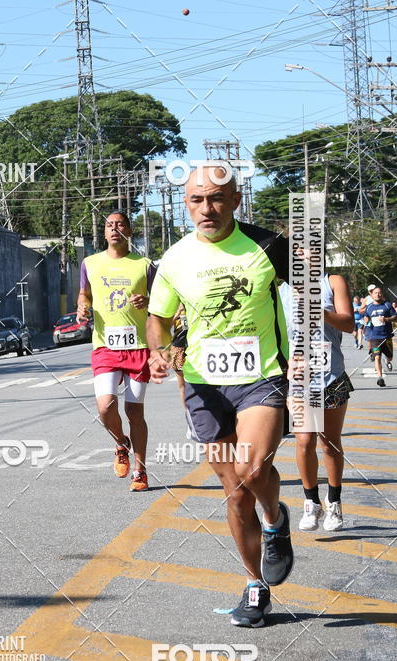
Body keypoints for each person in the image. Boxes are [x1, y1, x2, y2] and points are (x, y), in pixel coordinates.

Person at [147, 164, 293, 628]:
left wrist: (306, 354)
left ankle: (274, 520)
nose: (206, 209)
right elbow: (159, 318)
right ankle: (255, 586)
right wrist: (159, 350)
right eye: (196, 200)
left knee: (253, 469)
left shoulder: (269, 246)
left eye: (216, 198)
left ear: (235, 200)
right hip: (202, 383)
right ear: (185, 204)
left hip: (262, 374)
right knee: (234, 493)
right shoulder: (173, 259)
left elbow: (310, 298)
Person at [77, 211, 156, 491]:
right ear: (104, 232)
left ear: (129, 230)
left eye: (120, 224)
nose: (114, 229)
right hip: (105, 346)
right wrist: (82, 305)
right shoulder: (90, 263)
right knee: (105, 406)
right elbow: (84, 292)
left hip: (138, 347)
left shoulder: (144, 264)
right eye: (109, 225)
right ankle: (121, 443)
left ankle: (141, 471)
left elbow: (161, 302)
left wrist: (147, 300)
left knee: (135, 411)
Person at [292, 274, 355, 532]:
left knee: (329, 443)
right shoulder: (282, 286)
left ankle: (334, 500)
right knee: (304, 441)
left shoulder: (332, 282)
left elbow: (349, 323)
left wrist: (321, 312)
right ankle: (311, 502)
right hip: (298, 377)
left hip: (331, 374)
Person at [360, 286, 397, 387]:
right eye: (375, 293)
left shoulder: (387, 305)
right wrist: (366, 319)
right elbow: (366, 316)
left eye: (380, 293)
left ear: (382, 294)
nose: (378, 294)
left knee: (390, 356)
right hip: (374, 337)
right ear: (371, 295)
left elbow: (395, 317)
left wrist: (386, 319)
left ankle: (388, 361)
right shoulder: (369, 307)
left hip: (387, 336)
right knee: (377, 357)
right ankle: (380, 378)